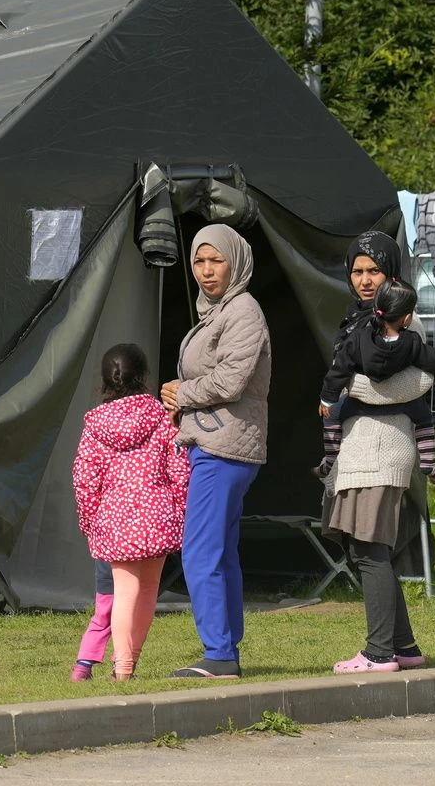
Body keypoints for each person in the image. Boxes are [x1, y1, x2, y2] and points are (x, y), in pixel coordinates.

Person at [319, 233, 435, 673]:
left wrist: (347, 389)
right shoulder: (355, 321)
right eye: (358, 271)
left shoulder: (407, 320)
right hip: (359, 445)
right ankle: (403, 647)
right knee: (367, 549)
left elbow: (416, 383)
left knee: (369, 547)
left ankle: (378, 653)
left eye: (374, 271)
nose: (366, 280)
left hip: (385, 446)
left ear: (392, 272)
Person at [160, 226, 271, 680]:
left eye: (216, 261)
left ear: (236, 261)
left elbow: (230, 381)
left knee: (199, 551)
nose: (207, 271)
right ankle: (225, 649)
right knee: (221, 551)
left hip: (223, 447)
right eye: (199, 262)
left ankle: (219, 653)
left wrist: (182, 393)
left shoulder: (243, 311)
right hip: (218, 443)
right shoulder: (218, 311)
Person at [72, 343, 188, 681]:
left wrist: (89, 521)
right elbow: (179, 469)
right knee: (149, 591)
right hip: (158, 517)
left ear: (106, 380)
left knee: (123, 592)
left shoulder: (94, 423)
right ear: (143, 376)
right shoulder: (160, 416)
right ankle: (130, 662)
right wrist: (180, 512)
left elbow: (85, 478)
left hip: (114, 520)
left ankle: (121, 668)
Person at [315, 280, 435, 485]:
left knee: (332, 417)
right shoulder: (411, 341)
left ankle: (330, 459)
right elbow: (433, 360)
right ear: (407, 318)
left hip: (359, 405)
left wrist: (327, 399)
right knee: (424, 417)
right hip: (402, 405)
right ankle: (428, 461)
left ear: (376, 310)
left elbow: (339, 369)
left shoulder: (357, 338)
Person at [69, 559, 114, 682]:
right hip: (129, 572)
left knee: (101, 620)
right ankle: (121, 667)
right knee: (128, 620)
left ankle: (82, 668)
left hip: (105, 575)